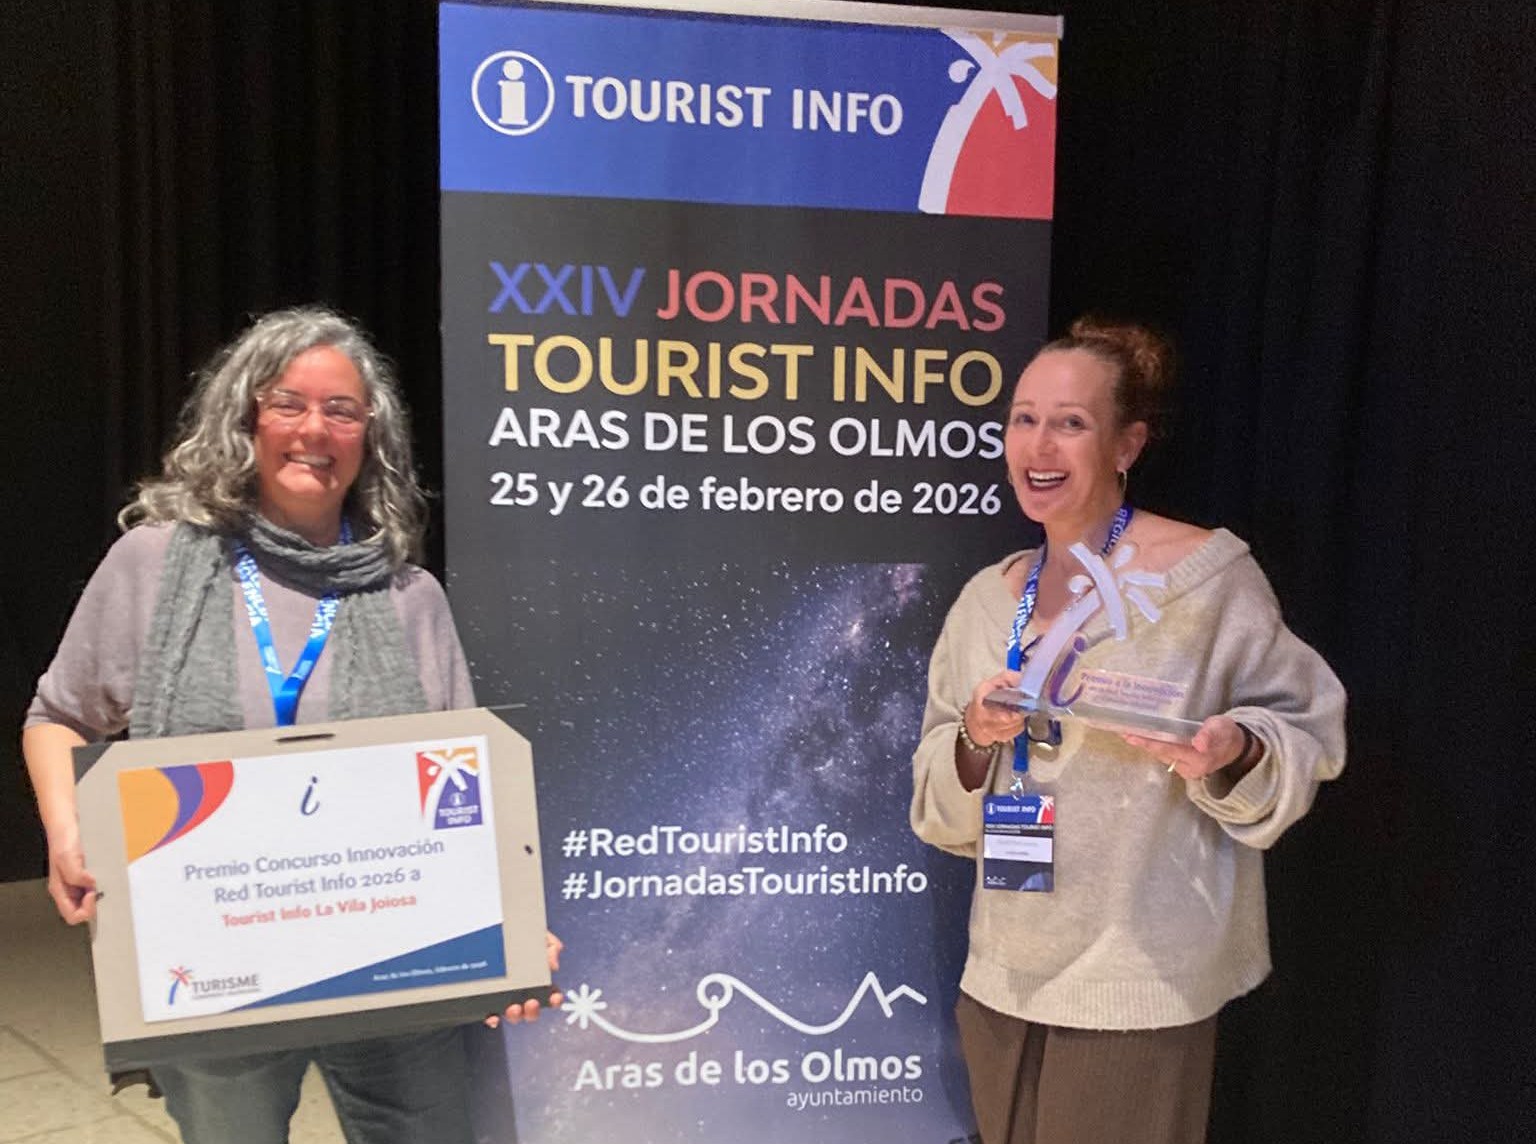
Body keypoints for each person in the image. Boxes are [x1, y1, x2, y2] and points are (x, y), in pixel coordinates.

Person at [23, 306, 558, 1144]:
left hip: (393, 961)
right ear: (245, 419)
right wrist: (67, 833)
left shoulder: (408, 595)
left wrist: (515, 932)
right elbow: (58, 717)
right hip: (214, 963)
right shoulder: (155, 564)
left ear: (370, 437)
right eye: (288, 404)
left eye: (342, 410)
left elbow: (462, 787)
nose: (314, 430)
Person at [910, 316, 1346, 1144]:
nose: (1039, 445)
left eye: (1071, 422)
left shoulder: (1205, 581)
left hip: (1139, 981)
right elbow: (936, 791)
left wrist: (1230, 749)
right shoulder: (985, 602)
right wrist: (975, 735)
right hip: (1002, 977)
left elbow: (1308, 726)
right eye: (1024, 418)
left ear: (1127, 445)